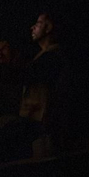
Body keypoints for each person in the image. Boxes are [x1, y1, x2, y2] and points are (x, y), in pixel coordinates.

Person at [20, 9, 71, 155]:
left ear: (48, 28)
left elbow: (25, 76)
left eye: (38, 23)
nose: (33, 27)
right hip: (42, 127)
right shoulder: (45, 57)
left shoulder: (53, 57)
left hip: (46, 129)